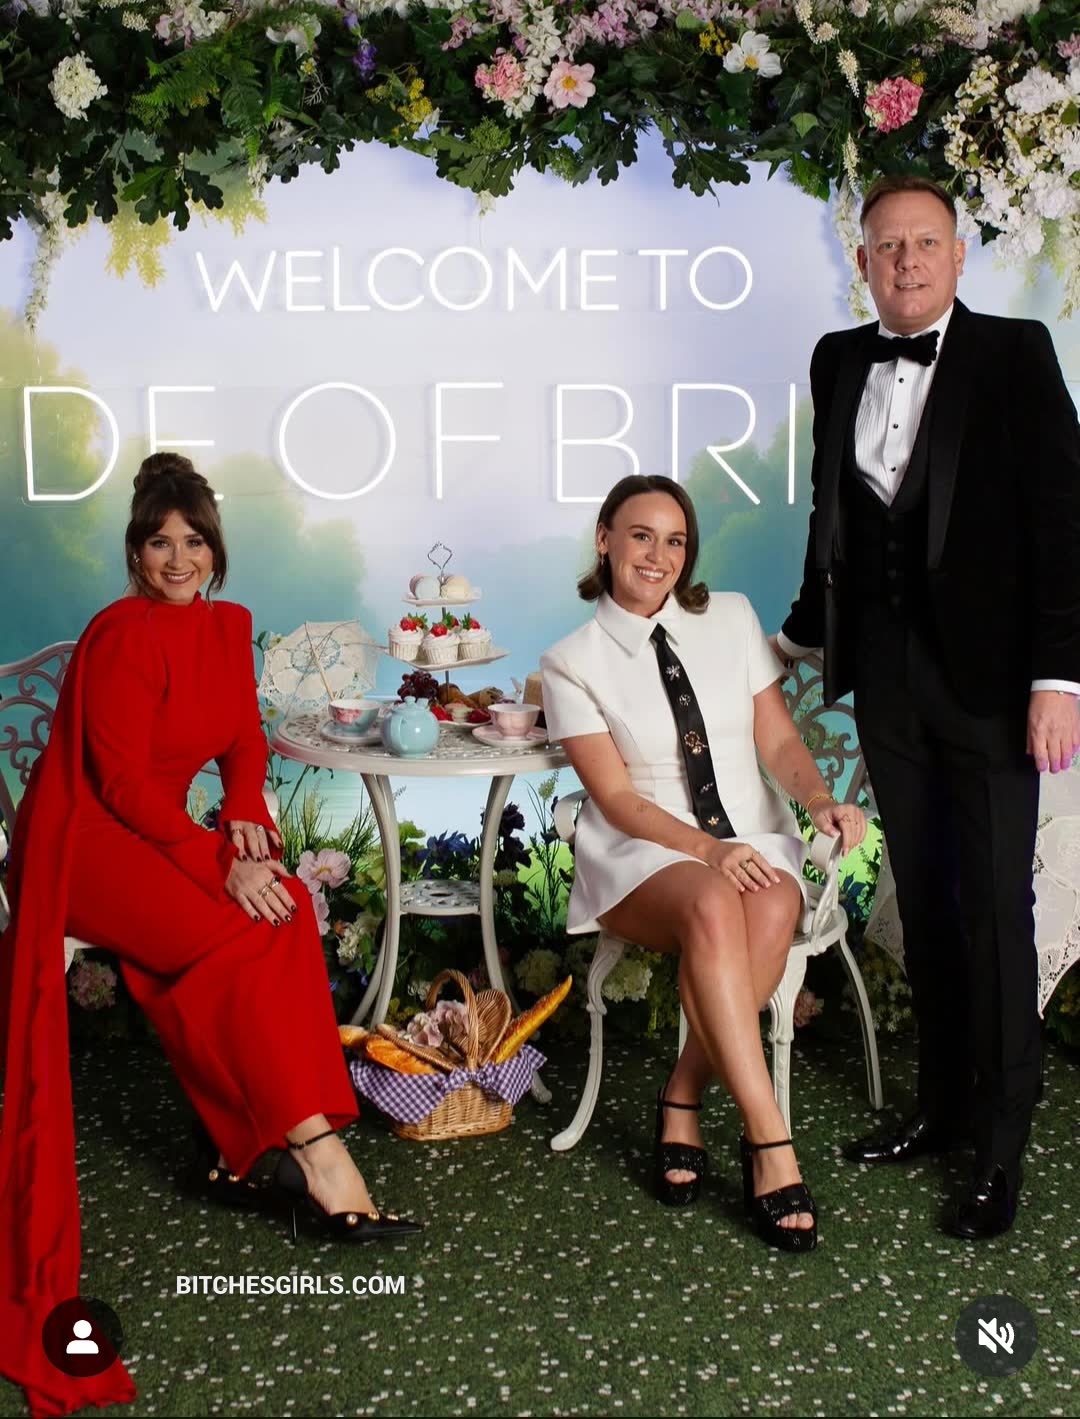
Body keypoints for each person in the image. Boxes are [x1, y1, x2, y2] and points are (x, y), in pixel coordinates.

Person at [0, 453, 419, 1418]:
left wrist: (243, 810)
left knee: (285, 915)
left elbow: (242, 740)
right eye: (160, 543)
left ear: (215, 549)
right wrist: (219, 861)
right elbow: (117, 785)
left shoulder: (229, 628)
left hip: (160, 834)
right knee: (238, 929)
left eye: (194, 541)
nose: (179, 559)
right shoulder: (119, 634)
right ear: (136, 552)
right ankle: (317, 1157)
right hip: (83, 841)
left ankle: (248, 1149)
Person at [775, 174, 1080, 1240]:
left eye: (924, 242)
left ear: (957, 255)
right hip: (889, 681)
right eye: (887, 245)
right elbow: (832, 513)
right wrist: (800, 631)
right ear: (862, 261)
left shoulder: (1016, 352)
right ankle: (943, 1107)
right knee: (929, 904)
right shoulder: (837, 358)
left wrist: (1058, 680)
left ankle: (1001, 1141)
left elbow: (1063, 523)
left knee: (996, 911)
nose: (905, 260)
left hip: (995, 689)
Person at [541, 474, 866, 1254]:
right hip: (642, 852)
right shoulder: (571, 661)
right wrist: (709, 850)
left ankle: (681, 1091)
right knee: (717, 902)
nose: (658, 555)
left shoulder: (733, 618)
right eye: (640, 535)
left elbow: (777, 739)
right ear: (604, 539)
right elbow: (616, 798)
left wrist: (819, 798)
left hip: (749, 837)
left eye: (675, 540)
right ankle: (769, 1139)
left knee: (774, 899)